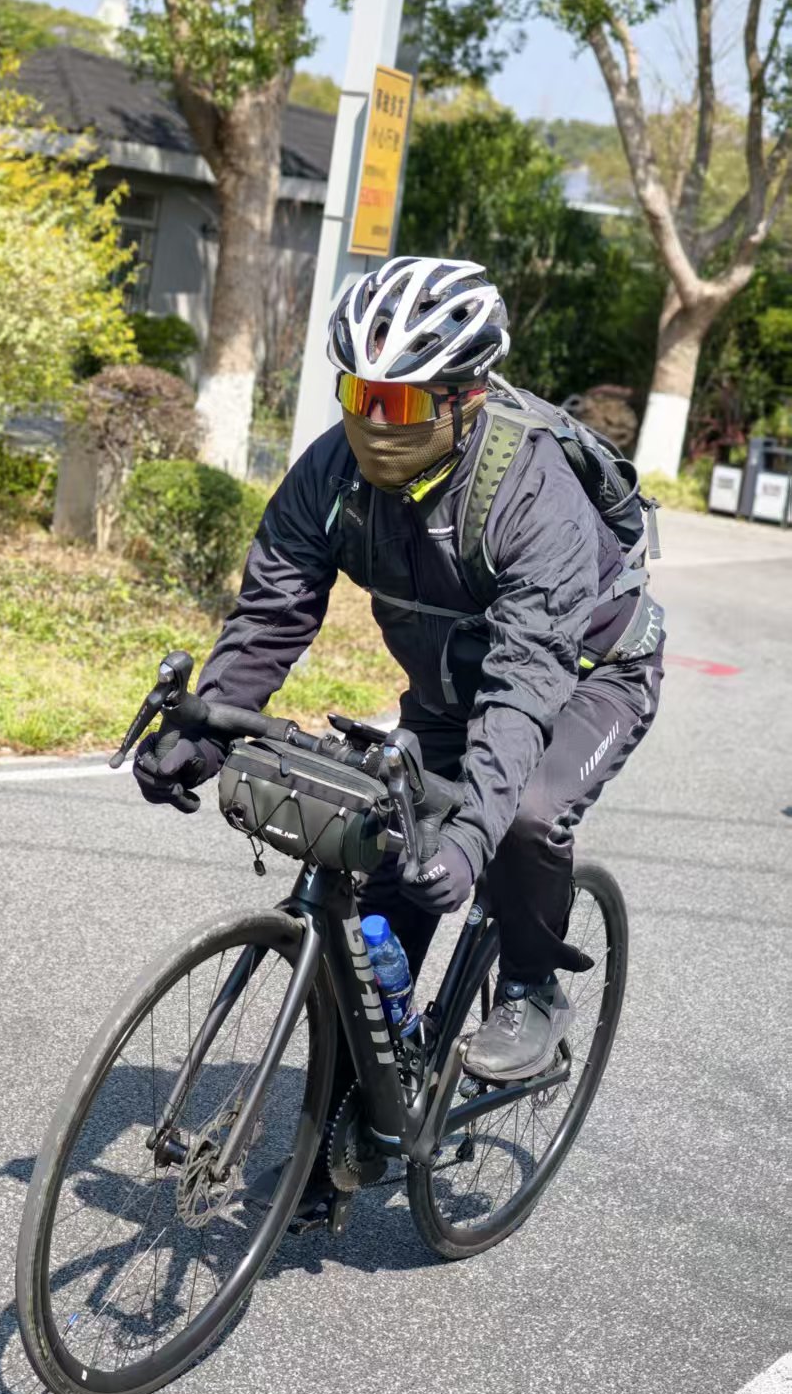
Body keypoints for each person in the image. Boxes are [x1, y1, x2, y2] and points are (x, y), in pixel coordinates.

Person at [133, 256, 664, 1082]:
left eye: (405, 402)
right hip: (449, 690)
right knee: (389, 874)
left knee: (521, 816)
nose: (377, 422)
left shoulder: (530, 496)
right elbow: (274, 609)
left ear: (466, 396)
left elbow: (524, 689)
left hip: (589, 676)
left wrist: (470, 840)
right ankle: (340, 1143)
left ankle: (530, 988)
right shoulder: (331, 472)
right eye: (360, 396)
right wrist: (203, 730)